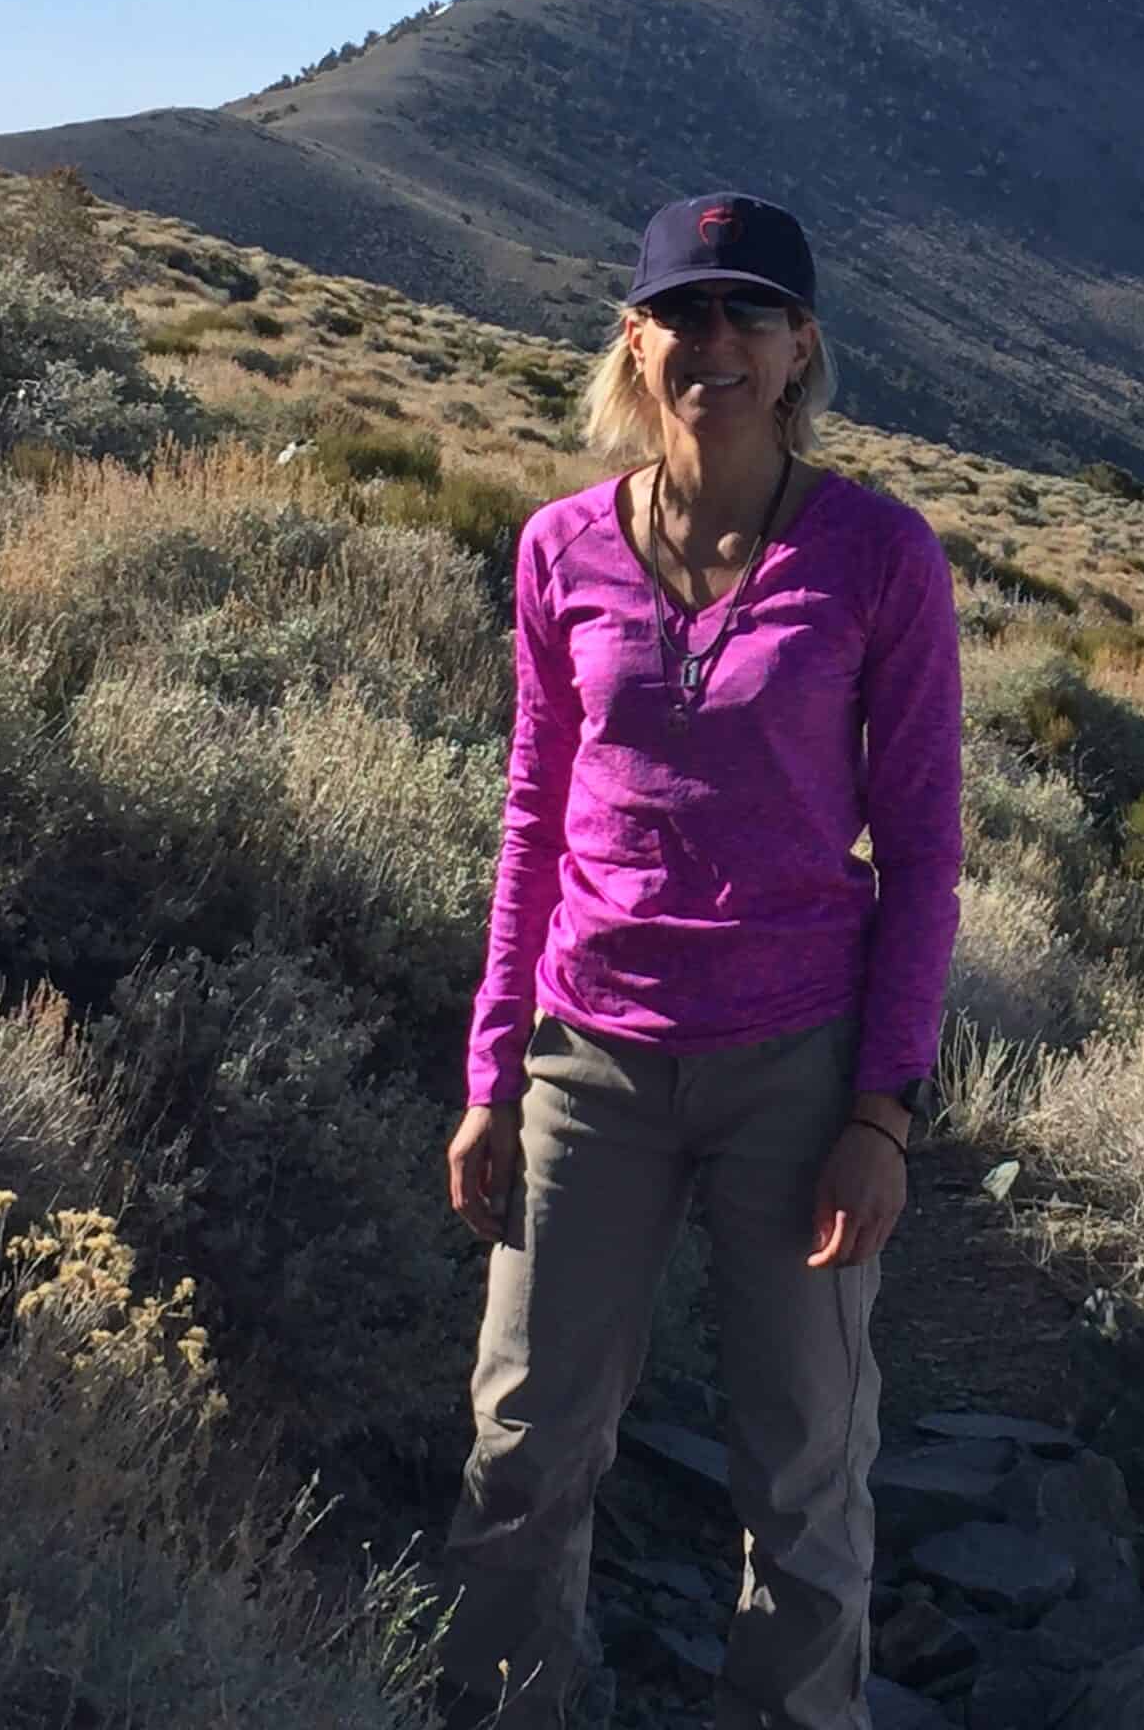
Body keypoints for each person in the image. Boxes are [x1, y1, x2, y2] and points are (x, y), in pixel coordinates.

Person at [435, 191, 963, 1730]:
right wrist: (491, 1073)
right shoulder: (559, 550)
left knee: (802, 1478)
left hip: (795, 1070)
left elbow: (924, 852)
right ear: (636, 337)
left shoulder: (879, 556)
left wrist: (882, 1116)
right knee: (524, 1453)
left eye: (750, 314)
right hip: (586, 1062)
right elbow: (534, 814)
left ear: (802, 347)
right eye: (685, 312)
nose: (714, 343)